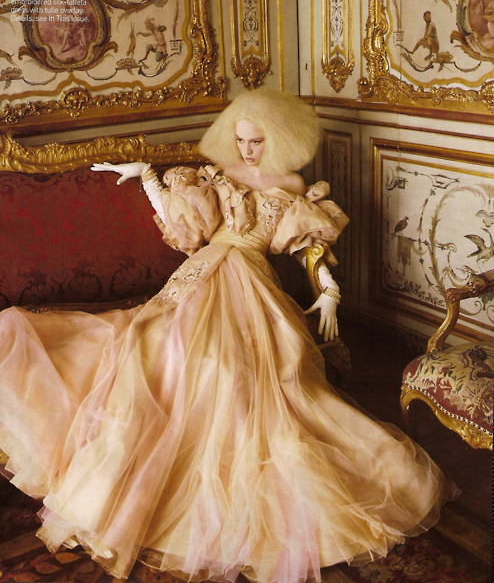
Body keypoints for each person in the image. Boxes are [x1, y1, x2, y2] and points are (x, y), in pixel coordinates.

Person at [0, 90, 454, 583]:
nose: (247, 150)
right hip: (198, 275)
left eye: (257, 141)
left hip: (252, 282)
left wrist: (328, 291)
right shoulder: (218, 175)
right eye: (240, 140)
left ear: (277, 139)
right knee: (151, 348)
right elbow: (187, 226)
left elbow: (305, 247)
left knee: (240, 371)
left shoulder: (292, 184)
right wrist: (147, 176)